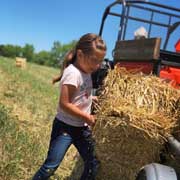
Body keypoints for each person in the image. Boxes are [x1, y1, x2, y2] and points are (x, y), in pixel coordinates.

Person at [32, 33, 107, 180]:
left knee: (93, 163)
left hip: (81, 129)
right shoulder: (73, 74)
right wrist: (87, 116)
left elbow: (79, 95)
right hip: (65, 129)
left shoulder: (86, 72)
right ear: (80, 54)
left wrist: (92, 98)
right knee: (50, 167)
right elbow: (65, 104)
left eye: (100, 61)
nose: (97, 66)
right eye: (94, 60)